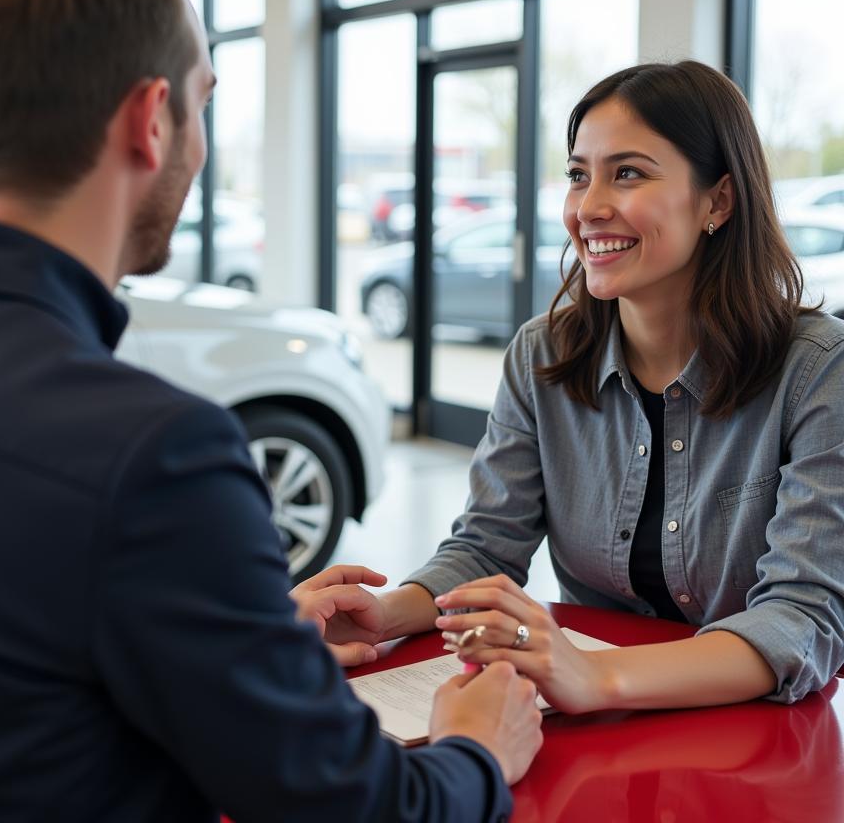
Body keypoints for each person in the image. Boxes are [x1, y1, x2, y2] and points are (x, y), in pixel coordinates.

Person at [0, 0, 542, 820]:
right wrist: (476, 749)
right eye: (204, 100)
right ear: (150, 120)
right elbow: (356, 809)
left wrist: (230, 647)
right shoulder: (149, 452)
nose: (201, 143)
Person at [308, 60, 844, 713]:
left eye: (628, 173)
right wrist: (383, 615)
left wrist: (597, 680)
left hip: (755, 738)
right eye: (578, 175)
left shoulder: (815, 369)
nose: (588, 209)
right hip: (597, 730)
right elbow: (486, 546)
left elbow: (803, 615)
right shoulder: (543, 355)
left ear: (718, 201)